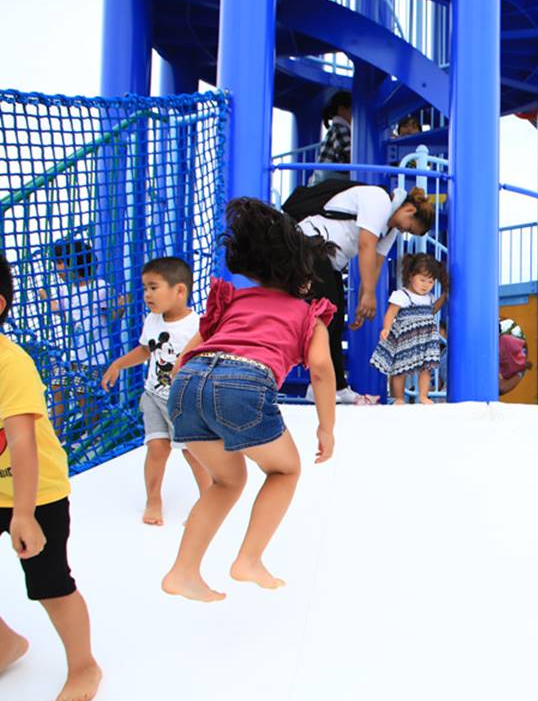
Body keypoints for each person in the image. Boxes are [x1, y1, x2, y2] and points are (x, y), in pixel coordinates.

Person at [161, 198, 338, 602]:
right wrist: (326, 426)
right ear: (302, 278)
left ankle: (183, 571)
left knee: (227, 480)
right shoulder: (308, 314)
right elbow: (321, 368)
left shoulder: (234, 302)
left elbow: (192, 350)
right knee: (285, 470)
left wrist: (185, 392)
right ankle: (249, 559)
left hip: (187, 384)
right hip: (244, 383)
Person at [0, 251, 103, 701]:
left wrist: (23, 514)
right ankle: (6, 644)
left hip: (35, 491)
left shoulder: (11, 364)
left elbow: (21, 442)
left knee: (49, 582)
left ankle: (83, 664)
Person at [296, 183, 436, 404]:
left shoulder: (390, 229)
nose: (404, 232)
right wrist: (368, 294)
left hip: (328, 260)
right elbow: (365, 245)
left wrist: (364, 299)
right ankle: (318, 385)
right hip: (310, 245)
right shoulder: (378, 199)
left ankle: (337, 387)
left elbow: (376, 265)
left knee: (334, 321)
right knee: (324, 322)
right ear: (409, 210)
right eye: (409, 228)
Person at [101, 257, 212, 525]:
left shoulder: (197, 326)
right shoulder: (152, 320)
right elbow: (145, 350)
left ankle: (209, 501)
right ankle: (153, 499)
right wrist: (118, 364)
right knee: (157, 448)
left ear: (180, 291)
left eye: (153, 287)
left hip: (184, 403)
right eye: (145, 288)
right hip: (153, 395)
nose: (147, 294)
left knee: (192, 452)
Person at [40, 239, 123, 437]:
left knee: (82, 393)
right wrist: (45, 297)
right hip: (70, 354)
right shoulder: (65, 290)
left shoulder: (100, 287)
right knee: (57, 385)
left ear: (76, 262)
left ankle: (94, 434)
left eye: (61, 263)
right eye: (56, 263)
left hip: (93, 356)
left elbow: (112, 316)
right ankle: (55, 435)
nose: (57, 268)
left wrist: (119, 305)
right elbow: (60, 311)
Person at [369, 252, 446, 404]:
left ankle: (423, 396)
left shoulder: (429, 297)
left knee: (426, 368)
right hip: (406, 338)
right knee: (400, 369)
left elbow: (433, 310)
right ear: (411, 276)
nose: (426, 285)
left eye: (430, 282)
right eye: (422, 280)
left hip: (425, 338)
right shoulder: (402, 295)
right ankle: (398, 397)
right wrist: (386, 328)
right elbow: (391, 313)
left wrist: (444, 297)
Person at [309, 91, 352, 186]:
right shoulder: (340, 128)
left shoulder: (335, 128)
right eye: (352, 110)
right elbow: (348, 155)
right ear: (342, 110)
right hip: (327, 181)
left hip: (323, 179)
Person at [499, 319, 532, 396]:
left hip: (517, 370)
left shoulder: (505, 340)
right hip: (507, 373)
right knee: (500, 389)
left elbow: (524, 344)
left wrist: (525, 363)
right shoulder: (491, 347)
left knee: (501, 388)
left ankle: (520, 371)